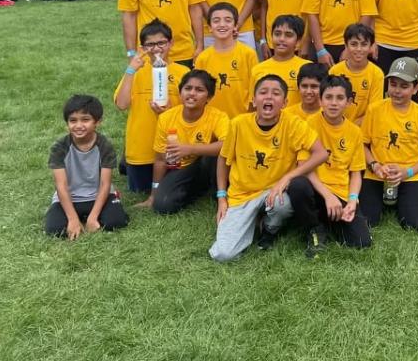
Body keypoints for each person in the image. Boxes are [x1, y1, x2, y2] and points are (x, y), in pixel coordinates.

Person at [210, 75, 329, 260]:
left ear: (285, 102)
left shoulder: (293, 123)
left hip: (273, 191)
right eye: (263, 92)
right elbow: (223, 160)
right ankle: (252, 220)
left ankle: (269, 228)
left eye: (276, 94)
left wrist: (287, 178)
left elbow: (321, 153)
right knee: (223, 255)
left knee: (284, 205)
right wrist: (221, 197)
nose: (268, 97)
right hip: (242, 194)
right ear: (253, 99)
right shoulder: (238, 124)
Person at [361, 58, 418, 231]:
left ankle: (405, 201)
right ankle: (385, 201)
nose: (396, 91)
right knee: (366, 221)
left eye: (404, 86)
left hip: (409, 175)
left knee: (417, 225)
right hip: (377, 174)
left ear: (415, 88)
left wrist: (407, 172)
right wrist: (375, 165)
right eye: (393, 84)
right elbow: (363, 145)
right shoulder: (375, 109)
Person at [114, 20, 187, 195]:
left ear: (171, 43)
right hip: (141, 150)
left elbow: (191, 113)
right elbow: (122, 104)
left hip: (170, 149)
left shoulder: (182, 73)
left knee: (170, 190)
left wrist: (170, 112)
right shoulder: (136, 72)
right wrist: (130, 70)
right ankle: (127, 163)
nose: (156, 48)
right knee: (139, 189)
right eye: (150, 45)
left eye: (161, 43)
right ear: (143, 47)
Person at [144, 69, 229, 214]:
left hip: (205, 164)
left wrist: (191, 149)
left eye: (199, 90)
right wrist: (153, 194)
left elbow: (228, 145)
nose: (192, 93)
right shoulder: (166, 118)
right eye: (187, 88)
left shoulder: (218, 117)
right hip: (179, 168)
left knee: (217, 154)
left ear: (209, 97)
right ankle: (196, 190)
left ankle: (218, 192)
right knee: (162, 206)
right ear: (180, 92)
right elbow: (159, 160)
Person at [45, 95, 128, 238]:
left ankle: (90, 217)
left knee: (117, 221)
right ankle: (76, 219)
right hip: (71, 198)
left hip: (100, 196)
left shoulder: (105, 146)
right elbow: (61, 186)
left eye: (85, 119)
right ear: (67, 123)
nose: (78, 125)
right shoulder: (59, 147)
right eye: (73, 120)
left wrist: (93, 217)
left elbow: (105, 184)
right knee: (54, 229)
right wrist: (72, 219)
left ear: (97, 122)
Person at [306, 75, 372, 249]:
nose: (333, 103)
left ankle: (330, 222)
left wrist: (352, 200)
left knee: (361, 243)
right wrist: (328, 196)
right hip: (316, 189)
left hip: (341, 191)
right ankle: (315, 227)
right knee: (299, 187)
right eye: (328, 97)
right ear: (320, 100)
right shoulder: (309, 125)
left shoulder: (355, 132)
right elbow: (304, 168)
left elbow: (356, 172)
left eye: (340, 98)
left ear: (349, 102)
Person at [193, 2, 257, 119]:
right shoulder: (203, 58)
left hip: (242, 119)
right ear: (210, 27)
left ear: (235, 25)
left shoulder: (248, 54)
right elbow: (199, 94)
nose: (222, 25)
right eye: (216, 21)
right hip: (212, 121)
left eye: (228, 20)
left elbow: (254, 92)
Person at [250, 14, 310, 107]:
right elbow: (253, 106)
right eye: (277, 34)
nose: (281, 39)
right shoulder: (258, 70)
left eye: (288, 35)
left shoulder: (307, 68)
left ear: (298, 41)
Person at [329, 23, 384, 125]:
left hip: (363, 128)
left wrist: (351, 128)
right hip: (337, 126)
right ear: (346, 45)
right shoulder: (334, 71)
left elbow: (374, 111)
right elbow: (329, 104)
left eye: (364, 44)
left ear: (371, 46)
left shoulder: (377, 74)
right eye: (354, 44)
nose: (359, 49)